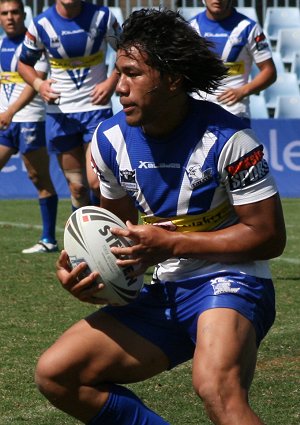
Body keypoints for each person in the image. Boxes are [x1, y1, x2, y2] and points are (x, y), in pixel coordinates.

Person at [34, 8, 286, 425]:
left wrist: (170, 245)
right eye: (119, 73)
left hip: (233, 279)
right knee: (58, 374)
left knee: (217, 388)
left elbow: (268, 237)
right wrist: (92, 275)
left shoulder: (231, 140)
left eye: (133, 74)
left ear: (171, 79)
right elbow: (117, 239)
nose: (120, 88)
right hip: (167, 290)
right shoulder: (109, 140)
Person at [18, 0, 121, 210]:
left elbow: (126, 49)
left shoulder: (103, 16)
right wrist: (39, 84)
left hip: (96, 111)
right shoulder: (41, 24)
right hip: (61, 115)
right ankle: (84, 240)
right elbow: (23, 63)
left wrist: (111, 82)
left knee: (97, 183)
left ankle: (113, 236)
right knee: (77, 188)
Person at [0, 0, 58, 254]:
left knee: (38, 178)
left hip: (30, 119)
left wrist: (11, 111)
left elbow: (37, 82)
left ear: (24, 15)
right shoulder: (0, 44)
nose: (10, 17)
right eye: (4, 13)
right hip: (6, 121)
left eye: (14, 12)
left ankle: (48, 239)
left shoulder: (35, 43)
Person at [189, 0, 277, 122]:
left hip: (235, 112)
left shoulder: (249, 28)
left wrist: (242, 91)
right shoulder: (190, 27)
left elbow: (269, 71)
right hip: (198, 112)